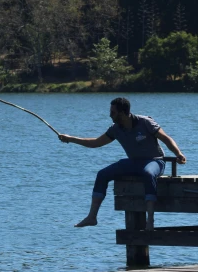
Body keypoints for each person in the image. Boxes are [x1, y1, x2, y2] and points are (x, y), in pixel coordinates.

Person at [58, 97, 186, 231]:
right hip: (133, 162)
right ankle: (92, 217)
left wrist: (178, 153)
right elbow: (95, 143)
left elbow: (166, 138)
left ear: (124, 113)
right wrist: (71, 139)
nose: (110, 115)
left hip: (155, 161)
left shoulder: (145, 122)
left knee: (148, 173)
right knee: (102, 174)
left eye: (113, 112)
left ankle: (150, 221)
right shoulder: (115, 129)